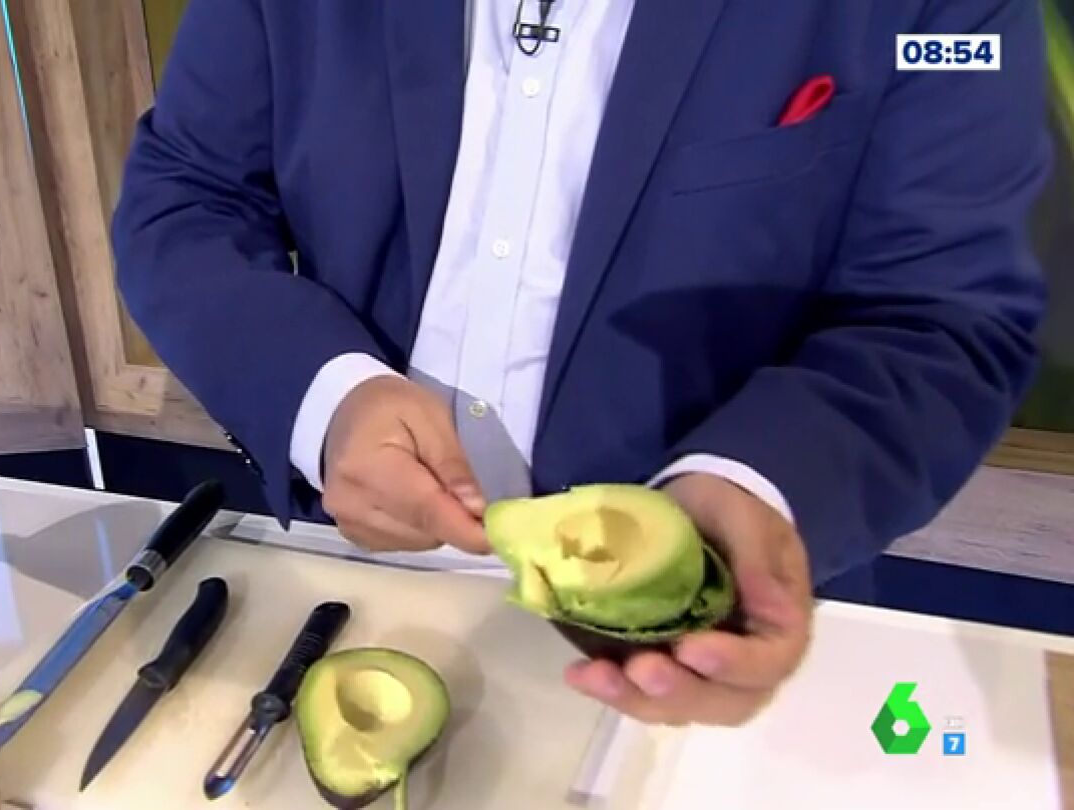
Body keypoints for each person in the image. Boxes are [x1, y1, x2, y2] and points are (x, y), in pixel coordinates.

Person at [111, 0, 1050, 728]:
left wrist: (754, 487)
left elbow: (942, 313)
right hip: (341, 588)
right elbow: (188, 191)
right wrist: (325, 402)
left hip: (702, 637)